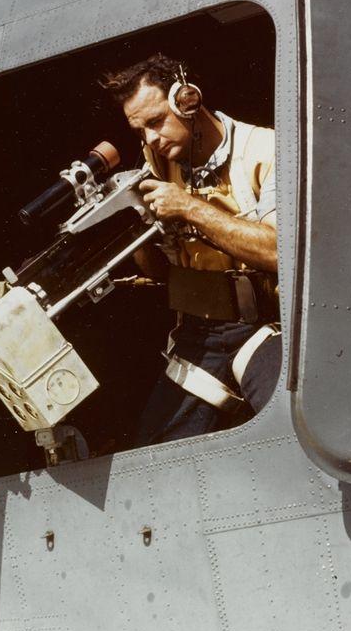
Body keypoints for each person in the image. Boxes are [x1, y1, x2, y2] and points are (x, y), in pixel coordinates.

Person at [100, 53, 281, 444]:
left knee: (293, 427)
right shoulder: (155, 163)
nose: (150, 139)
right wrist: (138, 226)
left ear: (187, 99)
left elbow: (277, 252)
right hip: (202, 335)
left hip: (270, 326)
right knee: (156, 453)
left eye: (155, 122)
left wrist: (188, 207)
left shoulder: (265, 150)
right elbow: (160, 274)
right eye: (140, 130)